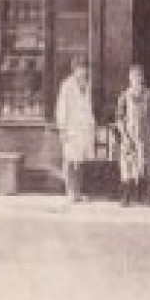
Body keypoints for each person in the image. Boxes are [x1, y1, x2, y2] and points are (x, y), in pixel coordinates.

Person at [54, 56, 96, 203]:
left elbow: (89, 108)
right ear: (74, 69)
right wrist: (62, 129)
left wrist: (92, 126)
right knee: (70, 161)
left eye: (85, 68)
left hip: (84, 129)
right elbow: (61, 109)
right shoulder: (67, 85)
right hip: (71, 128)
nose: (83, 71)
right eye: (80, 68)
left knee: (80, 162)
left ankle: (78, 192)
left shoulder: (87, 85)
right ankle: (70, 192)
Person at [115, 66, 150, 206]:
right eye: (134, 77)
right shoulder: (124, 96)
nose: (136, 79)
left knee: (146, 164)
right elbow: (119, 119)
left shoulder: (149, 94)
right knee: (128, 165)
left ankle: (146, 196)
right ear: (130, 79)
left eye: (139, 76)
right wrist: (124, 135)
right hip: (129, 135)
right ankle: (126, 195)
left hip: (145, 135)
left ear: (142, 78)